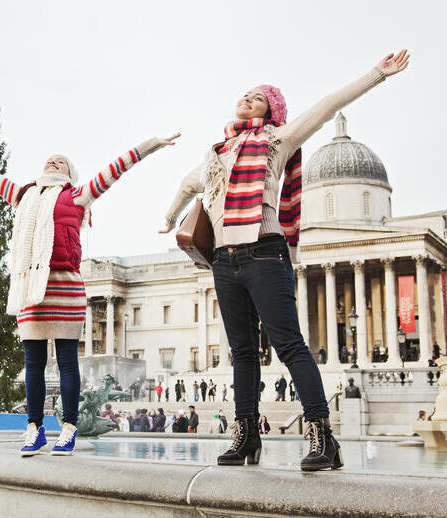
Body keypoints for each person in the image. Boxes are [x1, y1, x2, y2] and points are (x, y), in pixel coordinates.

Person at [160, 49, 410, 471]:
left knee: (290, 345)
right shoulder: (216, 154)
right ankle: (246, 436)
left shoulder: (278, 141)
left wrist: (376, 75)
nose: (247, 99)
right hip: (224, 260)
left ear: (272, 110)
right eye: (244, 95)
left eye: (257, 98)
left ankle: (321, 435)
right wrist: (171, 215)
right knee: (241, 352)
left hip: (264, 253)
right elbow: (188, 184)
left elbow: (326, 106)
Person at [0, 132, 178, 457]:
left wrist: (152, 144)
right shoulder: (25, 195)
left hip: (65, 285)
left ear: (70, 173)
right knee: (34, 364)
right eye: (49, 158)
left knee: (69, 363)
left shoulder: (79, 195)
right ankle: (34, 429)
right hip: (31, 287)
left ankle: (68, 428)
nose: (53, 161)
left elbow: (117, 169)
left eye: (61, 160)